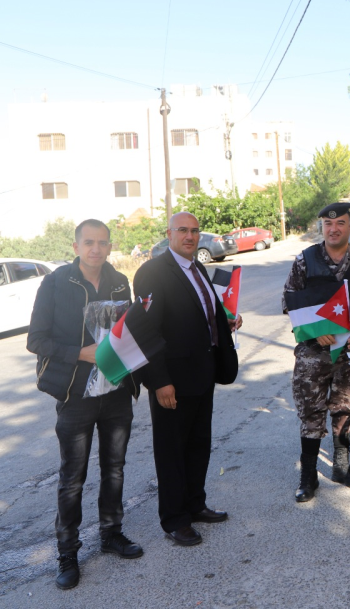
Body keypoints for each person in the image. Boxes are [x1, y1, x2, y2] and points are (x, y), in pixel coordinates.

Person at [27, 219, 143, 591]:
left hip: (116, 391)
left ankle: (111, 534)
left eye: (102, 242)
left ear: (110, 246)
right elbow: (36, 340)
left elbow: (127, 330)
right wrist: (80, 352)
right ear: (76, 246)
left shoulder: (119, 281)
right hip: (75, 394)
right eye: (89, 242)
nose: (96, 249)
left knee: (115, 469)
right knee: (72, 478)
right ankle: (68, 554)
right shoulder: (56, 282)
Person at [133, 212, 242, 547]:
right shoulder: (152, 272)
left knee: (198, 445)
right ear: (169, 234)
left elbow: (203, 314)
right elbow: (144, 331)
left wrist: (224, 324)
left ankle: (195, 505)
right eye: (182, 230)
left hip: (202, 374)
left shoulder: (197, 268)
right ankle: (174, 519)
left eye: (195, 230)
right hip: (172, 381)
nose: (190, 236)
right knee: (171, 452)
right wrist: (159, 381)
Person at [283, 202, 350, 503]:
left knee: (346, 408)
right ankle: (308, 476)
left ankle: (341, 467)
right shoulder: (305, 260)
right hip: (313, 352)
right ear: (322, 228)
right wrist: (315, 330)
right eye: (328, 224)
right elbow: (289, 300)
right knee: (311, 411)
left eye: (340, 223)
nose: (333, 229)